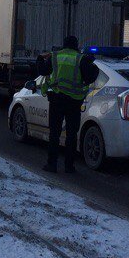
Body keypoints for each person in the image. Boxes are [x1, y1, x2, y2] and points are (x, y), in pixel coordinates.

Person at [41, 35, 98, 174]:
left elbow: (42, 71)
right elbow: (90, 77)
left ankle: (52, 165)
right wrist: (92, 64)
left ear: (64, 45)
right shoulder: (80, 59)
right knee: (71, 135)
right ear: (76, 45)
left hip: (56, 100)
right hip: (74, 102)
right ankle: (69, 167)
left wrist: (39, 59)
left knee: (54, 133)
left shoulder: (55, 56)